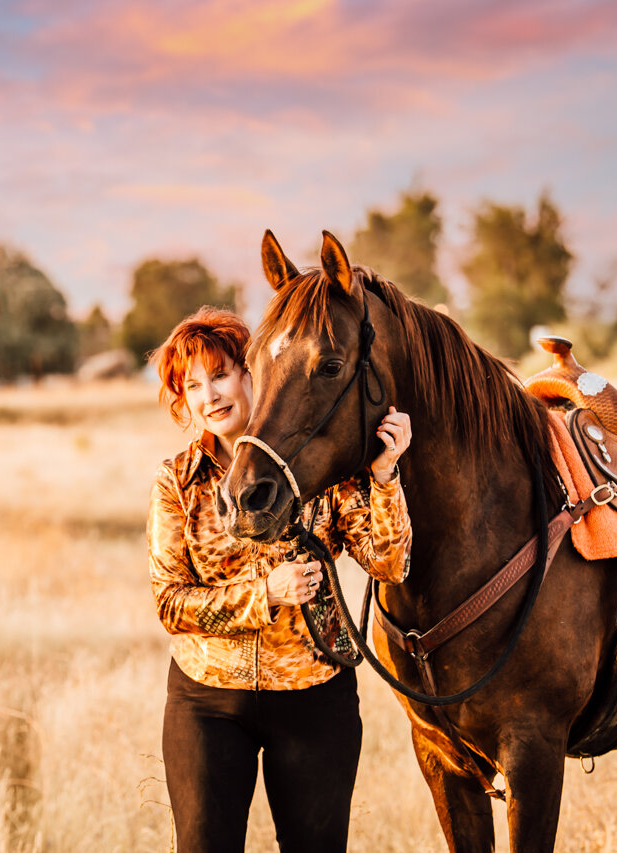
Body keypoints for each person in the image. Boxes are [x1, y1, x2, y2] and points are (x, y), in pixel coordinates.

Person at [146, 306, 412, 852]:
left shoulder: (323, 466)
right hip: (207, 703)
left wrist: (385, 475)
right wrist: (265, 594)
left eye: (220, 375)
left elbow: (389, 565)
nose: (210, 396)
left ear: (252, 375)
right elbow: (170, 603)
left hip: (315, 698)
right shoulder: (177, 482)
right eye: (192, 385)